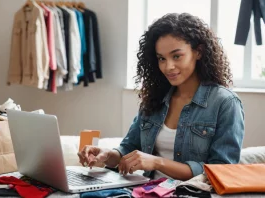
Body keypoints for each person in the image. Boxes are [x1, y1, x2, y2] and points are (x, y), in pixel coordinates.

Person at [77, 13, 245, 181]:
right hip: (148, 191)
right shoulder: (155, 98)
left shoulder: (225, 103)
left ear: (198, 52)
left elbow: (221, 171)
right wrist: (107, 155)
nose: (168, 67)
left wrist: (157, 162)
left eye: (176, 56)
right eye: (161, 59)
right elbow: (129, 148)